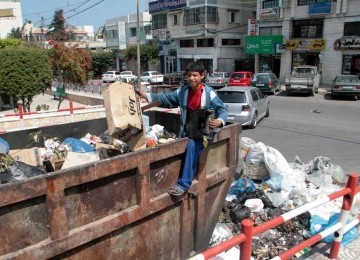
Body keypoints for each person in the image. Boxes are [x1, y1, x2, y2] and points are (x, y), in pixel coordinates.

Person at [135, 61, 228, 197]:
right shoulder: (183, 91)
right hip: (186, 131)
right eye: (189, 75)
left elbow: (222, 109)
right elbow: (167, 98)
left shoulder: (209, 93)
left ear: (202, 76)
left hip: (203, 135)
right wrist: (147, 96)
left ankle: (184, 184)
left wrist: (219, 121)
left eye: (195, 75)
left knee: (191, 145)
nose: (192, 78)